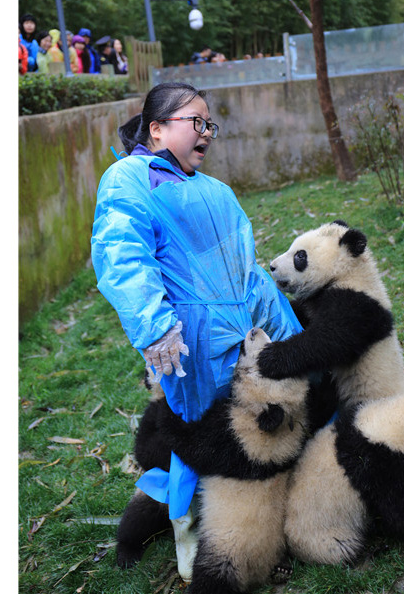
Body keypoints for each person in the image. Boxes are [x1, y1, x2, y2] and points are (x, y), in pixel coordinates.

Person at [90, 82, 303, 581]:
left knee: (242, 432)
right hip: (186, 343)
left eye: (210, 124)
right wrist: (155, 326)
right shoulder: (130, 179)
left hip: (240, 337)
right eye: (195, 121)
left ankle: (244, 522)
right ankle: (183, 523)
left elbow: (246, 272)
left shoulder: (218, 192)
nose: (206, 132)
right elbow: (122, 255)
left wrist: (289, 333)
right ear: (157, 127)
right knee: (194, 435)